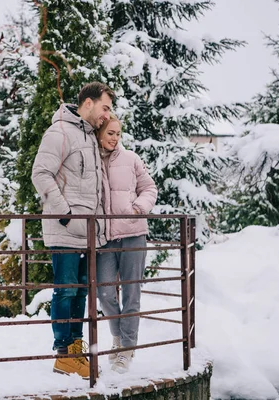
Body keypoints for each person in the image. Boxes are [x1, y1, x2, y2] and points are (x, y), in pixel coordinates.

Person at [31, 82, 115, 379]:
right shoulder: (60, 132)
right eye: (105, 107)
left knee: (80, 290)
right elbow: (40, 173)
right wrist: (63, 212)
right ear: (88, 103)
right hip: (66, 229)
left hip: (86, 231)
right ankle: (63, 352)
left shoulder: (90, 137)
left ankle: (76, 350)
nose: (107, 115)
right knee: (65, 289)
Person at [96, 114, 158, 373]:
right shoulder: (92, 161)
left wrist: (138, 208)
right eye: (110, 133)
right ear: (99, 133)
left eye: (118, 133)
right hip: (105, 238)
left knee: (131, 293)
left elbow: (150, 188)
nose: (114, 138)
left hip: (133, 234)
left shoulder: (131, 159)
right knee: (105, 292)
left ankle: (127, 349)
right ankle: (118, 337)